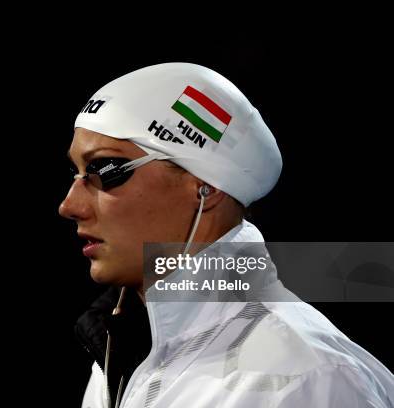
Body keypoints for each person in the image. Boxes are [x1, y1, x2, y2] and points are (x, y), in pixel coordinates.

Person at [59, 63, 394, 407]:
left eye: (105, 170)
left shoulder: (306, 379)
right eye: (76, 172)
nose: (69, 205)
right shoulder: (120, 350)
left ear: (207, 186)